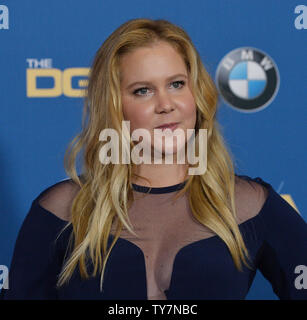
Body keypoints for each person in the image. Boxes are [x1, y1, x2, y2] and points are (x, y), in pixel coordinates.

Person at [1, 18, 306, 300]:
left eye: (177, 84)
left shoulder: (249, 204)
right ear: (114, 105)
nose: (166, 105)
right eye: (143, 90)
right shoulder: (62, 209)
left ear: (196, 93)